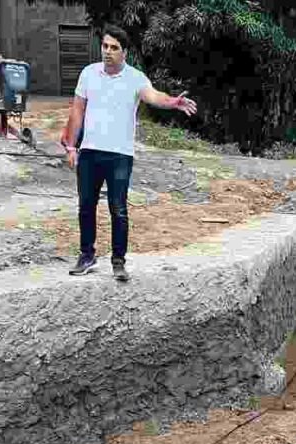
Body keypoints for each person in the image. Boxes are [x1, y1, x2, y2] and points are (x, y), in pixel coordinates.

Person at [61, 25, 197, 282]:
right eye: (105, 46)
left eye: (114, 48)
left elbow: (154, 96)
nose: (108, 52)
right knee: (86, 206)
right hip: (89, 152)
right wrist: (70, 145)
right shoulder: (88, 74)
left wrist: (173, 102)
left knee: (118, 208)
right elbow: (77, 112)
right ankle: (86, 255)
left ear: (124, 53)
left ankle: (118, 261)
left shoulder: (135, 78)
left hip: (120, 155)